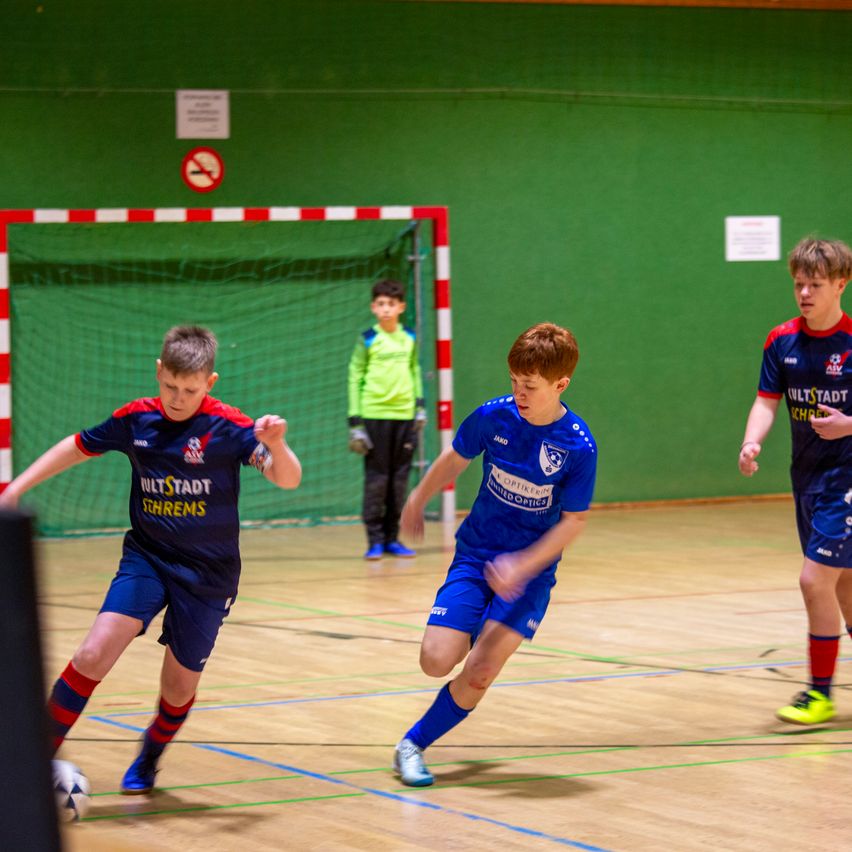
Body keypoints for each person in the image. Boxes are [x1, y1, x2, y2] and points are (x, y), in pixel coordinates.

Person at [0, 325, 302, 793]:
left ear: (210, 383)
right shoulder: (136, 419)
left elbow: (288, 480)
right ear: (158, 372)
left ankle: (149, 756)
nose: (178, 398)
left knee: (178, 688)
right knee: (92, 652)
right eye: (170, 387)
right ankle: (29, 765)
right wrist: (16, 487)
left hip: (208, 575)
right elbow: (77, 445)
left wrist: (277, 444)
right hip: (148, 557)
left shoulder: (230, 427)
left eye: (190, 390)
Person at [392, 322, 596, 786]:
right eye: (514, 382)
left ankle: (413, 744)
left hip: (529, 574)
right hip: (477, 554)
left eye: (530, 386)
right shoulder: (493, 417)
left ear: (561, 384)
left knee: (481, 671)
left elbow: (574, 522)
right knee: (435, 660)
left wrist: (522, 566)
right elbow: (456, 456)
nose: (519, 393)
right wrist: (417, 498)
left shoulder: (578, 446)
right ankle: (469, 628)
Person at [739, 237, 852, 725]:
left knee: (814, 580)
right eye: (799, 284)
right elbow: (767, 400)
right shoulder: (780, 339)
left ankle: (818, 694)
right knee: (844, 586)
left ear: (841, 285)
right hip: (806, 477)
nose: (804, 292)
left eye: (816, 284)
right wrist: (752, 441)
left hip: (847, 475)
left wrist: (849, 424)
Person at [347, 278, 426, 560]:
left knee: (399, 479)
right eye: (381, 304)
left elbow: (415, 370)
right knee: (377, 479)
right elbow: (354, 375)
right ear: (373, 307)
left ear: (401, 307)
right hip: (373, 416)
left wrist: (420, 407)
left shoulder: (410, 338)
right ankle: (375, 541)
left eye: (391, 304)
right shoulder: (368, 338)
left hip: (405, 417)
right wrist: (355, 422)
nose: (386, 309)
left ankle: (393, 538)